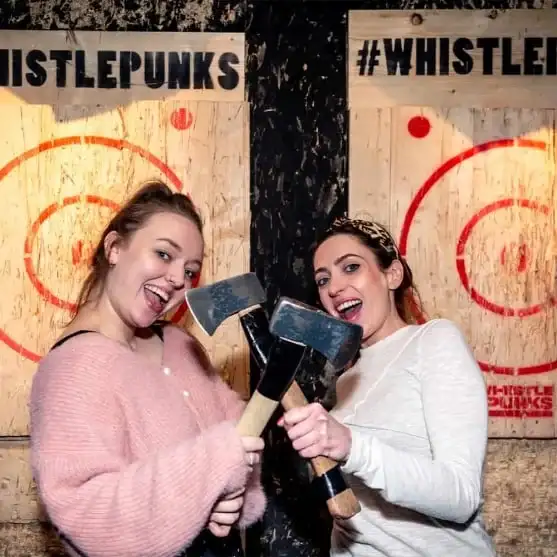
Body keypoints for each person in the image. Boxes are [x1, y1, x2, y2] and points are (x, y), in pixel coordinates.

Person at [29, 180, 266, 557]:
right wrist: (214, 466)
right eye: (164, 254)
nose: (178, 280)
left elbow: (238, 437)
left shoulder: (180, 344)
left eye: (190, 271)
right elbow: (89, 514)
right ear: (115, 248)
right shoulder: (72, 369)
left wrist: (232, 499)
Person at [278, 216, 497, 557]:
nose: (334, 288)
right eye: (323, 280)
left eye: (351, 267)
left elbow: (460, 497)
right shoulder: (347, 377)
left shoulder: (435, 340)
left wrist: (351, 446)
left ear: (391, 274)